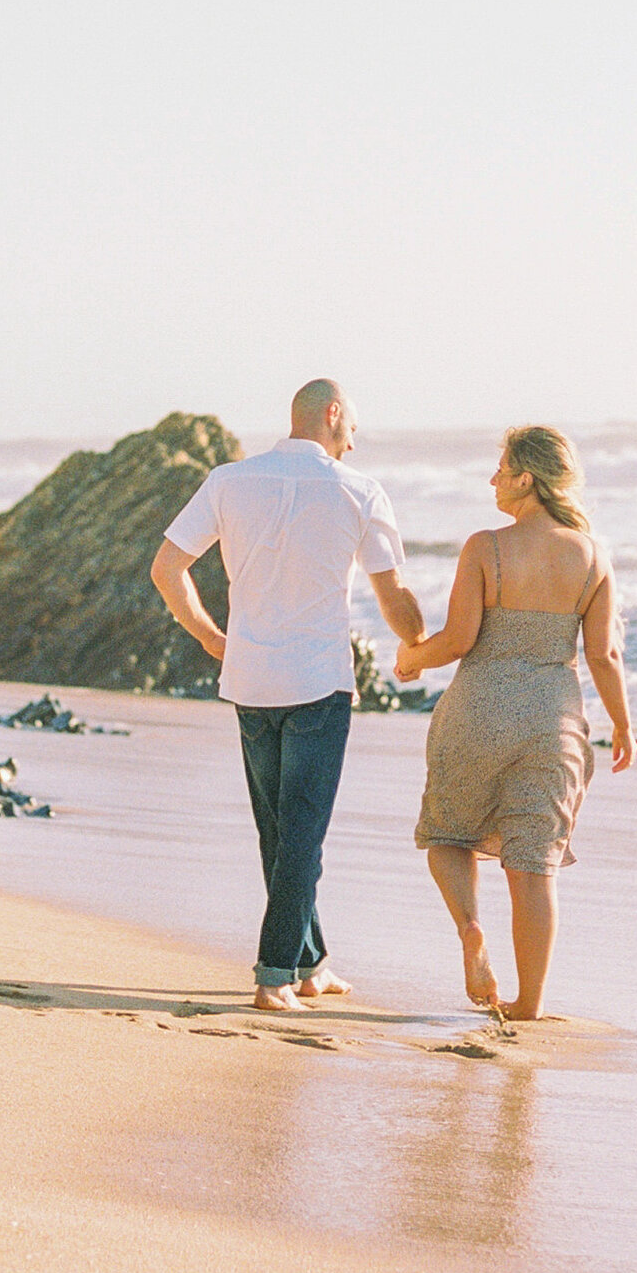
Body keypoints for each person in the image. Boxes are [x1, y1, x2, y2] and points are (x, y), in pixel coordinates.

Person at [149, 378, 424, 1012]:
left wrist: (211, 637)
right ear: (331, 414)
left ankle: (310, 962)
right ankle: (274, 974)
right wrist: (422, 643)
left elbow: (167, 569)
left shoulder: (228, 481)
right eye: (352, 424)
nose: (354, 439)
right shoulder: (359, 491)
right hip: (317, 684)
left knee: (280, 831)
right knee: (300, 834)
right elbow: (393, 597)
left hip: (249, 681)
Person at [394, 424, 632, 1022]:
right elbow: (604, 656)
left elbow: (458, 639)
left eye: (501, 469)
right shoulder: (593, 554)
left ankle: (472, 930)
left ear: (526, 478)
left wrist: (411, 658)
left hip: (478, 711)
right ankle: (528, 1005)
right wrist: (623, 726)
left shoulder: (486, 547)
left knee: (447, 834)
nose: (493, 479)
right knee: (534, 866)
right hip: (552, 722)